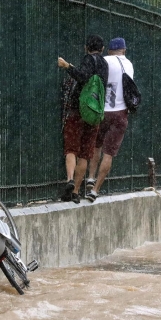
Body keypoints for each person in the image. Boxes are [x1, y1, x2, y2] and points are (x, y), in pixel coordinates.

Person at [57, 35, 109, 203]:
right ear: (102, 49)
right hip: (94, 115)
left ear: (86, 47)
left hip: (78, 111)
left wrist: (67, 66)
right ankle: (76, 192)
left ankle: (70, 180)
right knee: (85, 154)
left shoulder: (88, 59)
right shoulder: (104, 64)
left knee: (71, 149)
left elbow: (83, 76)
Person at [85, 37, 134, 202]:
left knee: (96, 145)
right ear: (124, 50)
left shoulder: (104, 61)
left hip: (103, 111)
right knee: (109, 153)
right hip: (120, 113)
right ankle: (96, 190)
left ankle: (90, 177)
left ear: (109, 50)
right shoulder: (129, 64)